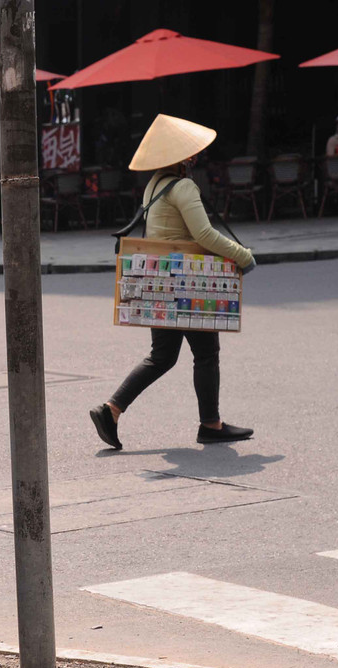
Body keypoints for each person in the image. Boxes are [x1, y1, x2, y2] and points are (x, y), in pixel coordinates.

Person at [90, 114, 256, 450]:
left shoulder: (154, 184)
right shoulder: (183, 186)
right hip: (187, 282)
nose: (194, 158)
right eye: (189, 154)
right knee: (206, 352)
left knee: (162, 356)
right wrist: (243, 256)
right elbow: (204, 234)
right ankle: (211, 424)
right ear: (180, 159)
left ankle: (111, 409)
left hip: (160, 283)